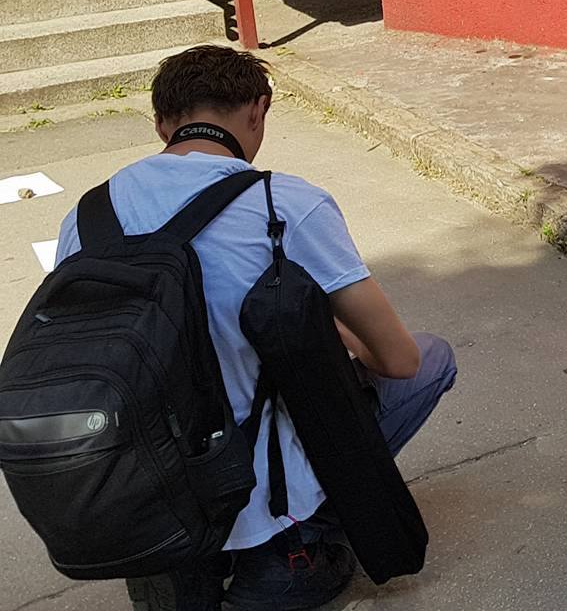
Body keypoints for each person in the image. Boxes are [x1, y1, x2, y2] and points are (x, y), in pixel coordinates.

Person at [52, 46, 456, 611]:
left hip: (143, 484)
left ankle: (186, 561)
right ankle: (291, 544)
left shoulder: (86, 216)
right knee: (432, 358)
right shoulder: (283, 204)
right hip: (254, 477)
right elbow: (398, 360)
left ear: (162, 124)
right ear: (258, 111)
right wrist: (318, 326)